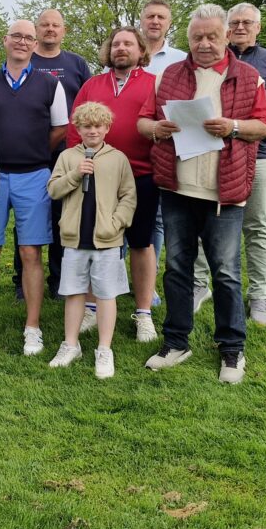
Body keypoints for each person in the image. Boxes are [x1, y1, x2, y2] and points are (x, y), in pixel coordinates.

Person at [138, 5, 266, 384]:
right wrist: (157, 129)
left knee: (226, 272)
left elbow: (265, 126)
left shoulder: (248, 77)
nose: (205, 43)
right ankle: (176, 342)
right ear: (189, 38)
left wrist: (232, 126)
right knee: (177, 269)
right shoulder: (169, 76)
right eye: (197, 37)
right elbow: (143, 120)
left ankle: (232, 349)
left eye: (213, 36)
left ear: (227, 36)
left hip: (224, 192)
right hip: (178, 187)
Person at [191, 3, 266, 326]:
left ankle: (259, 296)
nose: (240, 27)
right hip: (210, 153)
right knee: (202, 225)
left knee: (256, 227)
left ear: (258, 28)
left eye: (246, 23)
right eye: (234, 23)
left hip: (259, 156)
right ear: (225, 29)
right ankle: (200, 286)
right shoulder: (215, 59)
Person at [0, 20, 68, 356]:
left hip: (34, 175)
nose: (22, 42)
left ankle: (32, 327)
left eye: (28, 38)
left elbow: (59, 128)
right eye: (17, 36)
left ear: (35, 44)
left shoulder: (50, 85)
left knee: (30, 253)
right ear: (6, 41)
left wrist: (33, 150)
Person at [66, 27, 159, 342]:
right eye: (116, 43)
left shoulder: (153, 84)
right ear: (109, 50)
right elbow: (73, 128)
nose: (121, 48)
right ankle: (92, 307)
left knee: (141, 243)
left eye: (128, 43)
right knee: (95, 242)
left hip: (142, 174)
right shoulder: (93, 84)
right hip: (96, 176)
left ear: (140, 50)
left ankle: (143, 312)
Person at [46, 102, 137, 379]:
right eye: (87, 126)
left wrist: (116, 223)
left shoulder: (117, 158)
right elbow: (53, 189)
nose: (93, 131)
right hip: (74, 239)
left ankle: (104, 349)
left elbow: (128, 196)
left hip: (107, 240)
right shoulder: (69, 157)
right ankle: (70, 344)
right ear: (78, 128)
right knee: (74, 292)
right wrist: (76, 174)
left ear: (106, 128)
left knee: (105, 294)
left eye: (98, 126)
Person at [26, 8, 91, 298]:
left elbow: (90, 102)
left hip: (70, 153)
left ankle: (60, 278)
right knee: (31, 215)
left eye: (56, 25)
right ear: (37, 30)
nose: (50, 29)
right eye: (45, 25)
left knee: (64, 215)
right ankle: (22, 279)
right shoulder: (25, 60)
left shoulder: (77, 64)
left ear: (64, 30)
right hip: (30, 154)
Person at [141, 0, 188, 309]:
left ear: (169, 23)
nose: (155, 21)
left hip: (164, 150)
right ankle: (116, 279)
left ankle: (148, 285)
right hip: (126, 149)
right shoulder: (128, 53)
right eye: (150, 17)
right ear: (142, 21)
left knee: (156, 221)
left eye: (161, 17)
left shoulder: (181, 59)